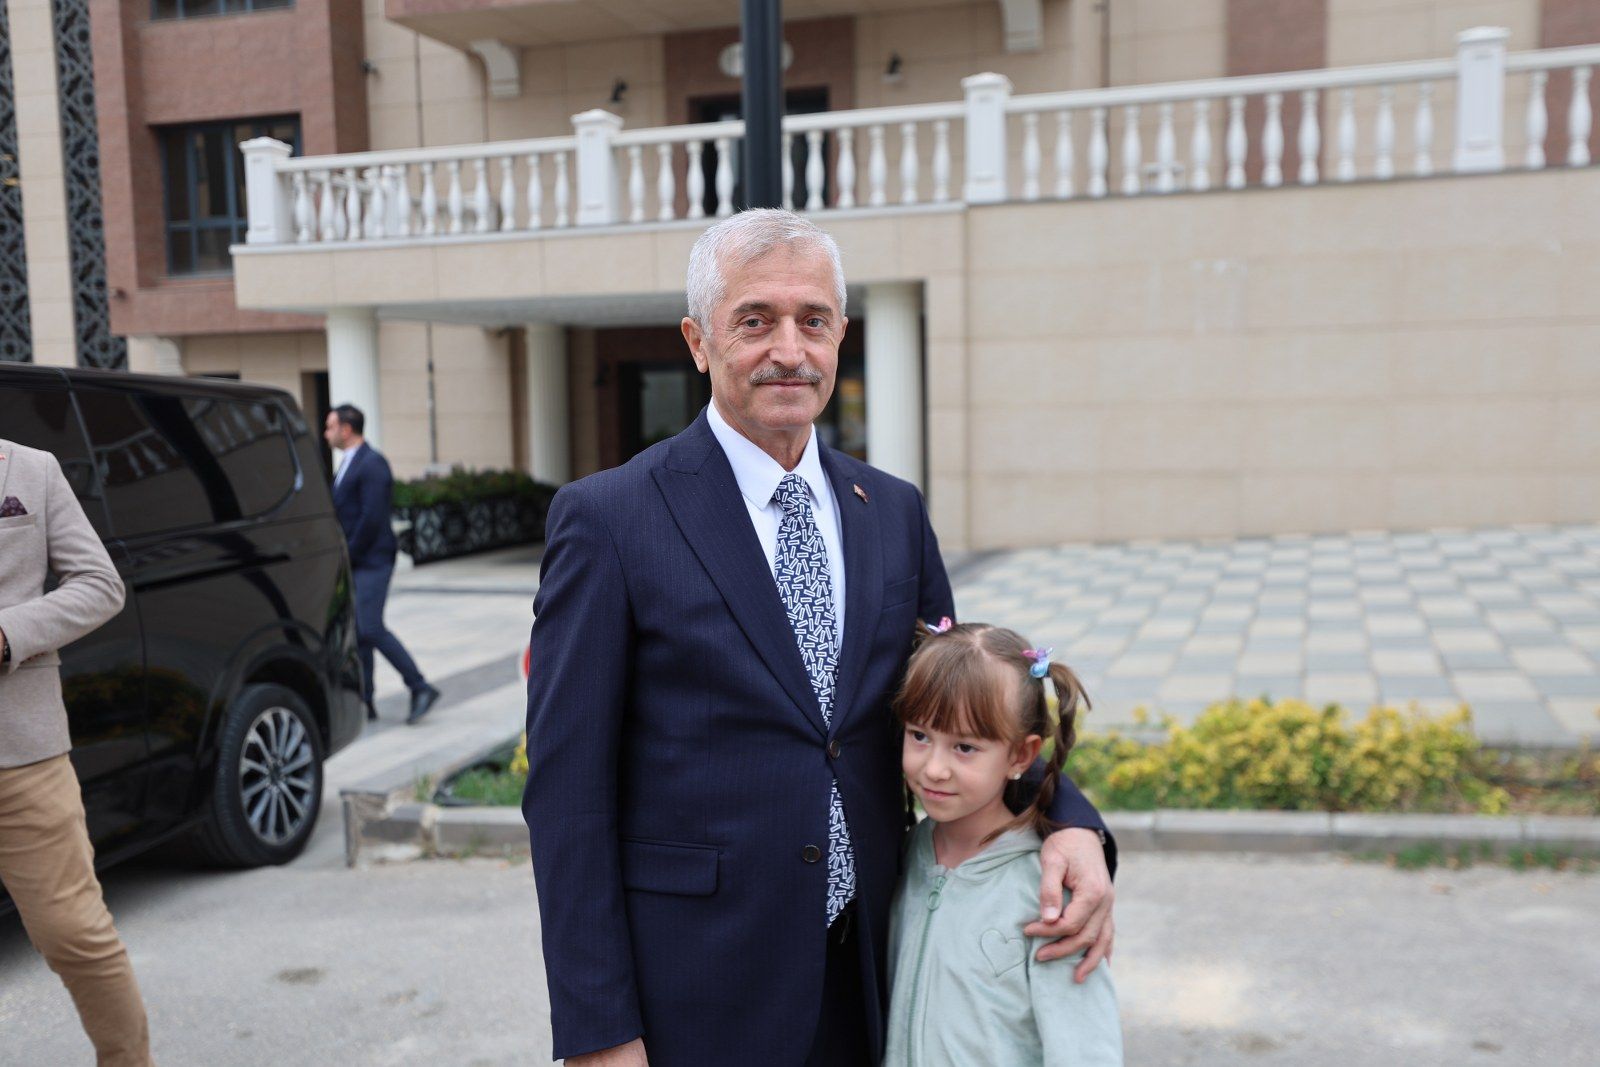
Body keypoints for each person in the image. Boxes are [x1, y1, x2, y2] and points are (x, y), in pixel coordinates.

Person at [523, 209, 1117, 1067]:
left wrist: (1071, 823)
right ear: (698, 341)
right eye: (754, 320)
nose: (789, 350)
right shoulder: (609, 519)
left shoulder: (893, 510)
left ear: (841, 334)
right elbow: (568, 793)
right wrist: (599, 1032)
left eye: (813, 321)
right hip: (696, 988)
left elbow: (964, 703)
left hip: (867, 973)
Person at [884, 619, 1122, 1066]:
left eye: (965, 747)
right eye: (920, 736)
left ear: (1020, 755)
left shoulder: (1049, 890)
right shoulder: (906, 853)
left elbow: (1087, 1049)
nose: (934, 768)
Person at [0, 438, 155, 1066]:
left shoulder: (30, 469)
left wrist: (8, 633)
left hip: (21, 754)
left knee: (74, 934)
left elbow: (99, 584)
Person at [324, 405, 440, 725]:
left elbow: (371, 518)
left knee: (370, 627)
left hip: (372, 559)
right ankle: (366, 701)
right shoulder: (347, 463)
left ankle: (420, 686)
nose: (326, 433)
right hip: (356, 561)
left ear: (346, 429)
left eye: (330, 426)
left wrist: (347, 555)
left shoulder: (372, 463)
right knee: (359, 633)